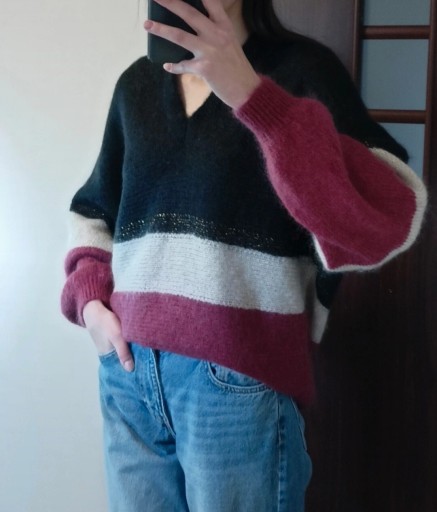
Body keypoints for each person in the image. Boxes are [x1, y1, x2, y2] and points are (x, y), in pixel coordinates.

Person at [61, 0, 428, 510]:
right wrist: (91, 305)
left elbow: (390, 215)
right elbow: (94, 210)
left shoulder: (303, 72)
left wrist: (254, 98)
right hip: (128, 376)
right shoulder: (136, 85)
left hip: (236, 381)